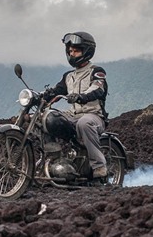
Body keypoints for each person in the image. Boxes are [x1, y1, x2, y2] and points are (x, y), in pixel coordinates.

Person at [43, 31, 109, 180]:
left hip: (93, 116)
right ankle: (54, 160)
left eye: (76, 50)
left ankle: (99, 167)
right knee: (48, 119)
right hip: (73, 116)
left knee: (84, 123)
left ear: (87, 51)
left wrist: (82, 96)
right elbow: (56, 91)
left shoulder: (97, 72)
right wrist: (40, 97)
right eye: (70, 51)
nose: (72, 54)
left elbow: (98, 88)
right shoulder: (69, 76)